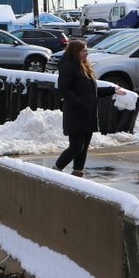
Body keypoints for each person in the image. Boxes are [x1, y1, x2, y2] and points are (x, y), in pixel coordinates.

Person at [55, 39, 99, 176]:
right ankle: (55, 170)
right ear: (75, 52)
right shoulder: (68, 67)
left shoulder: (84, 66)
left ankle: (77, 173)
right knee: (76, 147)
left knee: (84, 148)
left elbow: (90, 91)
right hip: (76, 114)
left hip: (87, 113)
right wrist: (79, 103)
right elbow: (64, 89)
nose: (86, 53)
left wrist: (112, 90)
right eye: (83, 51)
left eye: (86, 50)